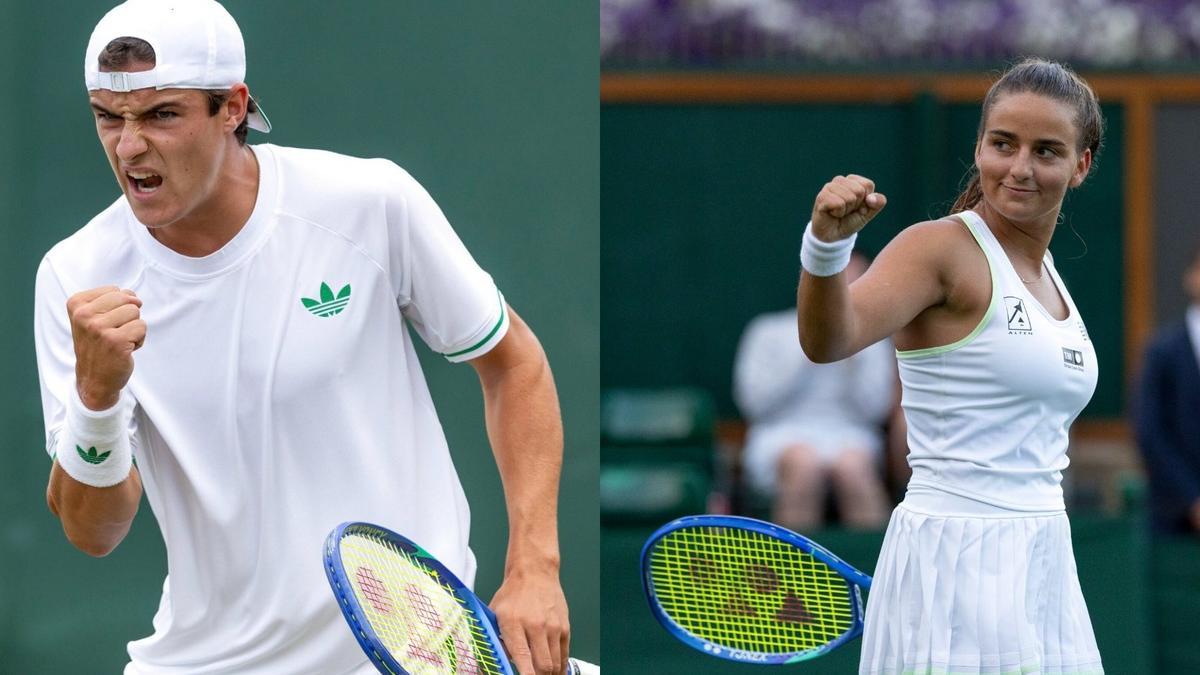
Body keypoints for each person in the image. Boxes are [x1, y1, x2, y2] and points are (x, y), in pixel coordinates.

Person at [34, 1, 571, 673]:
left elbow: (515, 364)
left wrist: (535, 568)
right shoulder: (73, 275)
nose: (129, 146)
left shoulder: (369, 202)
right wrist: (96, 397)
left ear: (232, 108)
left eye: (161, 115)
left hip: (418, 649)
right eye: (108, 117)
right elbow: (92, 531)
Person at [797, 58, 1105, 674]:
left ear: (1080, 166)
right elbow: (830, 340)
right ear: (980, 147)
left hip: (1044, 559)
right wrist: (826, 247)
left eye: (1046, 151)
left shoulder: (1049, 277)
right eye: (1003, 144)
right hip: (952, 562)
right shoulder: (938, 248)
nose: (1019, 167)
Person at [733, 252, 895, 530]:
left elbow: (875, 411)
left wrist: (851, 354)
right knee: (803, 463)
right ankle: (793, 571)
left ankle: (876, 570)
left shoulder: (874, 340)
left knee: (853, 467)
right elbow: (754, 404)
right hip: (779, 435)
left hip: (851, 436)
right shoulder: (768, 331)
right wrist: (814, 345)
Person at [1134, 243, 1200, 537]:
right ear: (1191, 276)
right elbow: (1149, 431)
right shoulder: (1163, 351)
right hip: (1173, 521)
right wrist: (1192, 499)